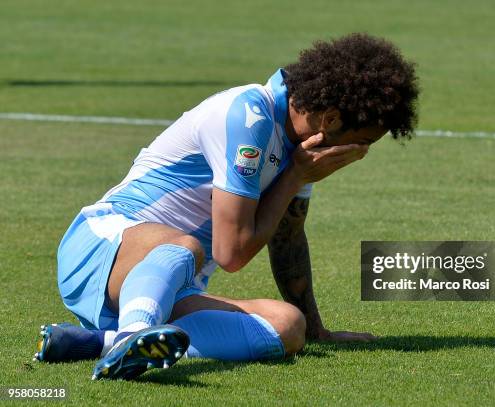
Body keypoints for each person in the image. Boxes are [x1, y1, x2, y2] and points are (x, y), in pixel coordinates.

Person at [34, 33, 419, 380]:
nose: (360, 154)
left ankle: (98, 343)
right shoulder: (249, 117)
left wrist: (318, 330)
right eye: (363, 141)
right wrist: (294, 179)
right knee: (186, 246)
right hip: (102, 248)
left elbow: (287, 240)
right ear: (330, 119)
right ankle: (133, 336)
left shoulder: (295, 149)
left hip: (159, 289)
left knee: (287, 326)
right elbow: (230, 253)